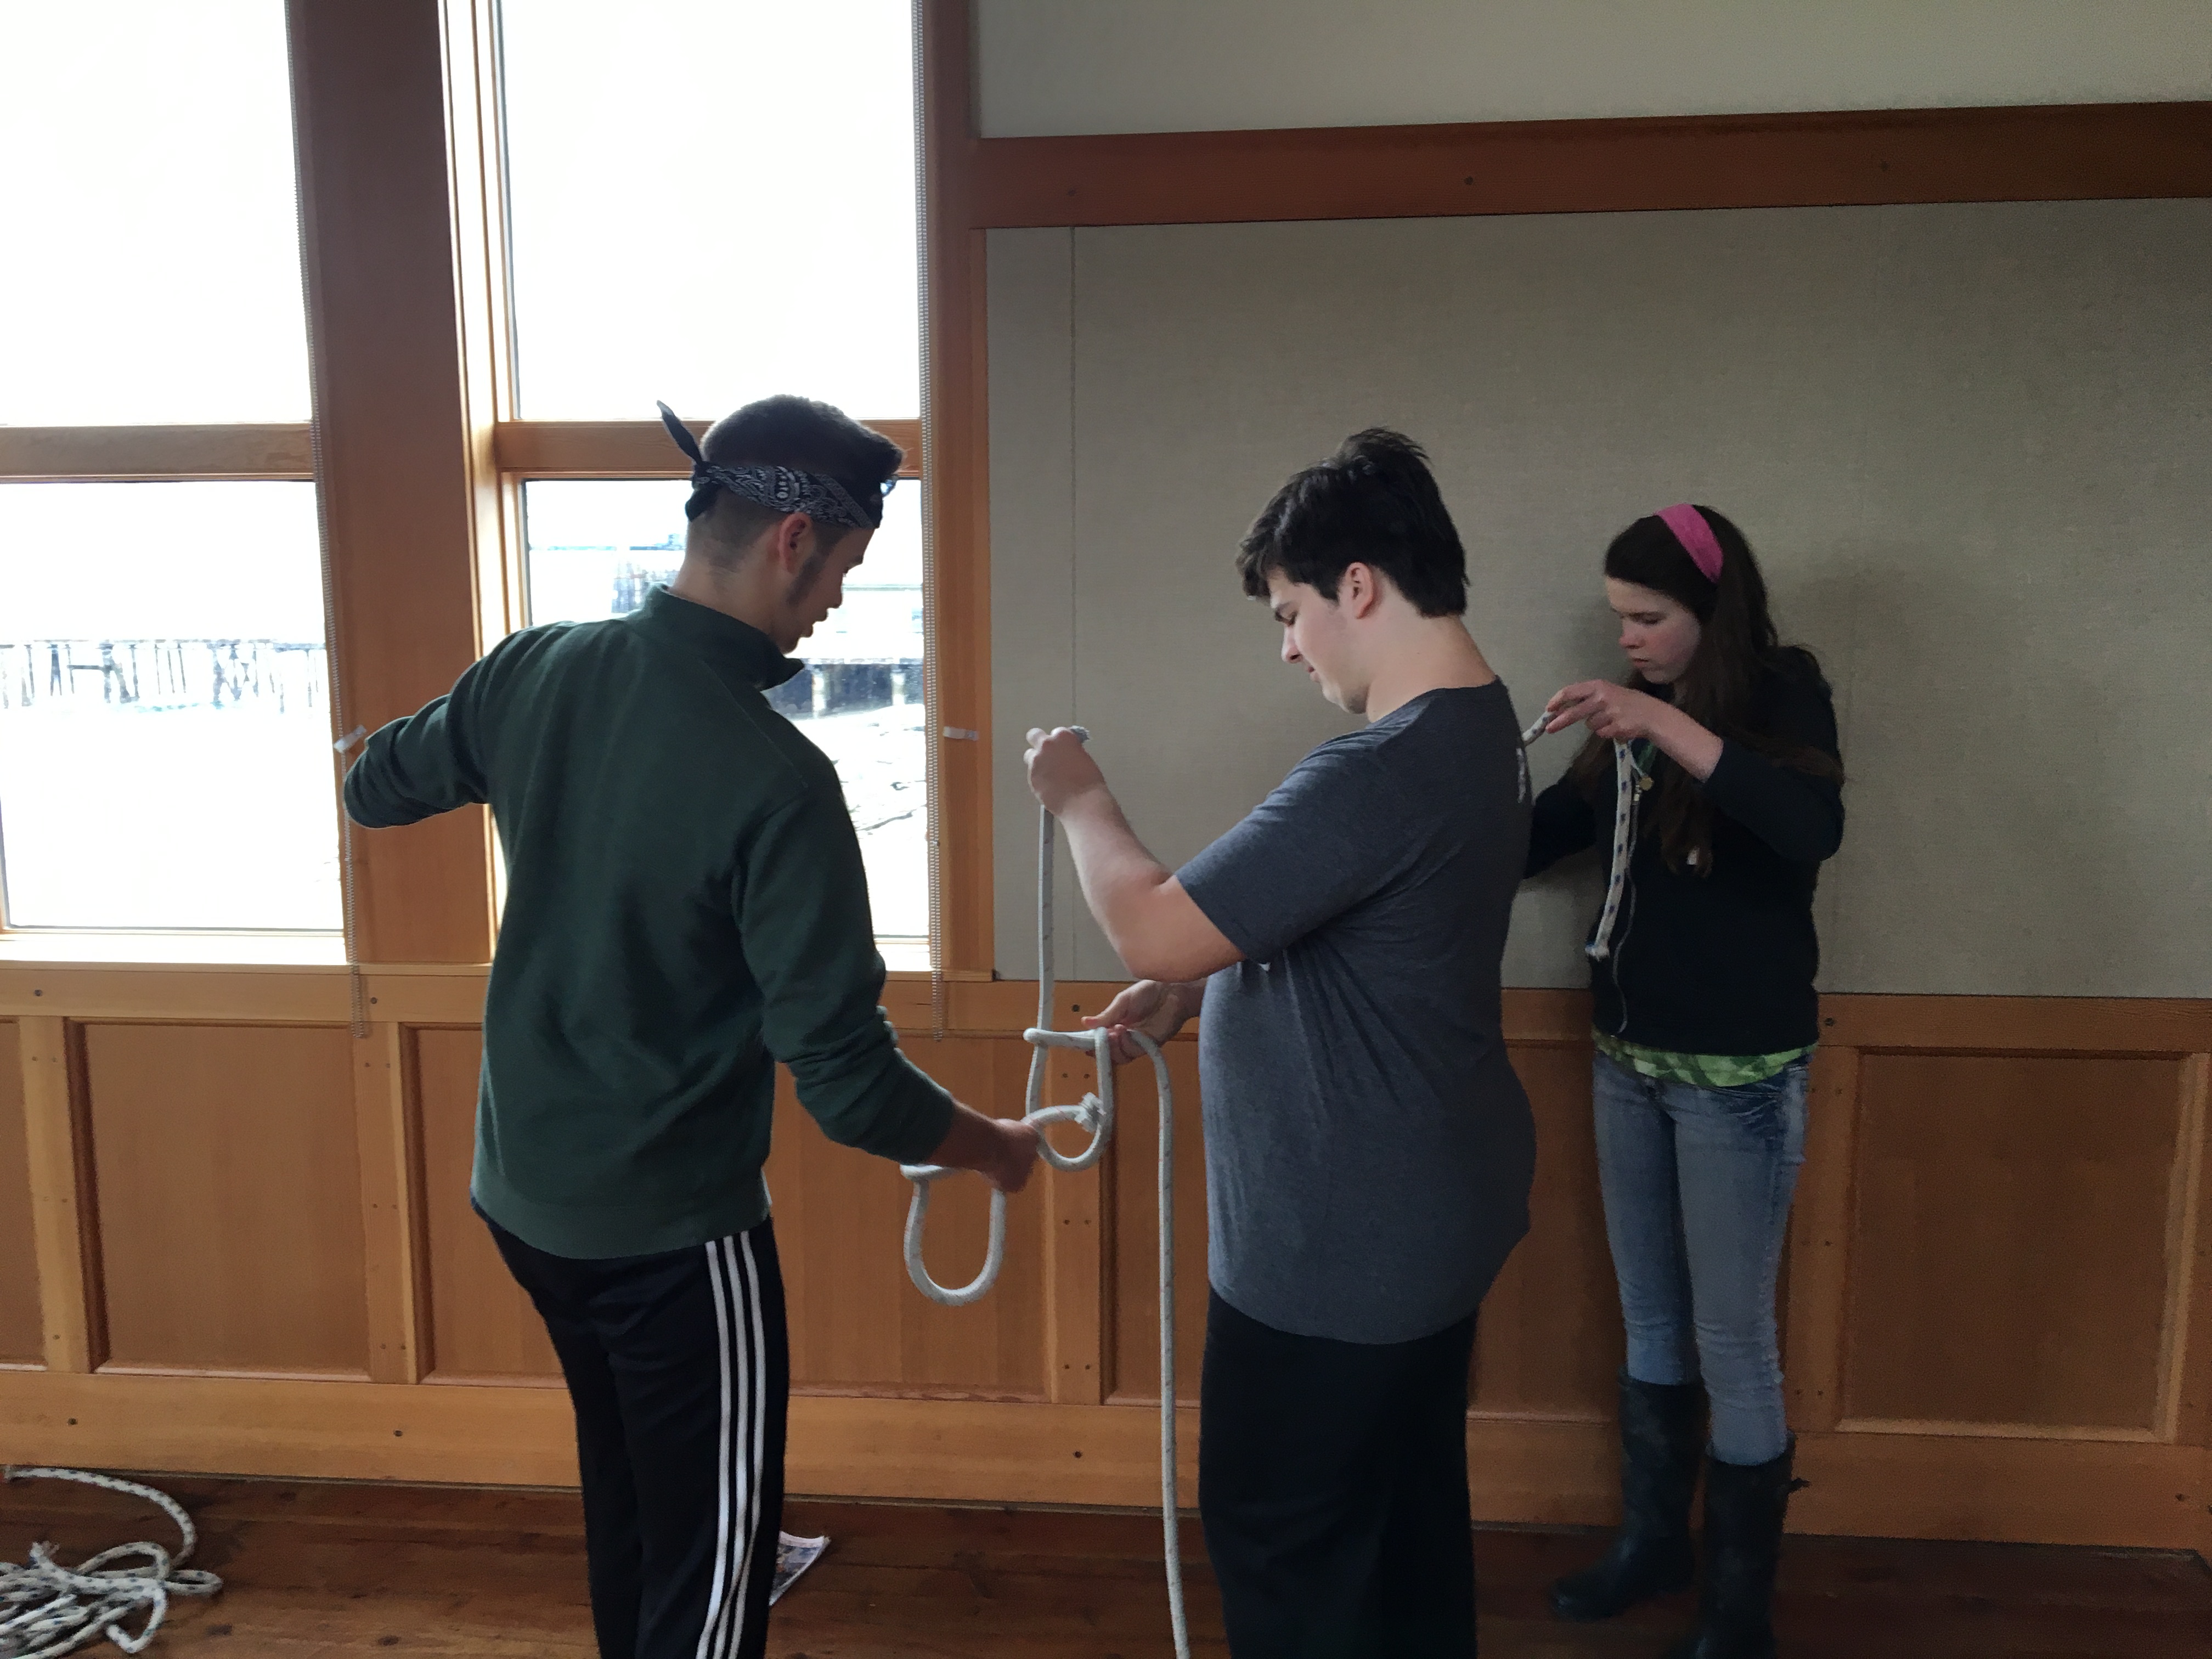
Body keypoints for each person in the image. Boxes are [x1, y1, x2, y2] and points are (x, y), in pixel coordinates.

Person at [342, 395, 1040, 1659]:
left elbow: (374, 784)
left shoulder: (533, 669)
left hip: (526, 1201)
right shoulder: (779, 780)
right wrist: (990, 1147)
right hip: (669, 1241)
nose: (838, 603)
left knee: (636, 1512)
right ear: (792, 540)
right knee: (715, 1570)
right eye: (846, 569)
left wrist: (465, 741)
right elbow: (847, 1082)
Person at [1025, 429, 1537, 1659]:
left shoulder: (1380, 771)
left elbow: (1151, 922)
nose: (1292, 647)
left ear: (1358, 586)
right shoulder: (1484, 729)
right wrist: (1198, 993)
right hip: (1424, 1215)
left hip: (1340, 1248)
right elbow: (1380, 946)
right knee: (1401, 1532)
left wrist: (1080, 797)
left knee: (1287, 1544)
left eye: (1292, 614)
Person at [1527, 504, 1843, 1659]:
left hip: (1737, 1082)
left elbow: (1809, 828)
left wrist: (1661, 722)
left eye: (1649, 619)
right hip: (1629, 1064)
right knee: (1651, 1319)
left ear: (1711, 612)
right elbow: (1548, 832)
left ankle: (1736, 1615)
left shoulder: (1782, 691)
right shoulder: (1627, 724)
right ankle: (1653, 1545)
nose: (1627, 639)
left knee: (1733, 1339)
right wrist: (1436, 820)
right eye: (1620, 619)